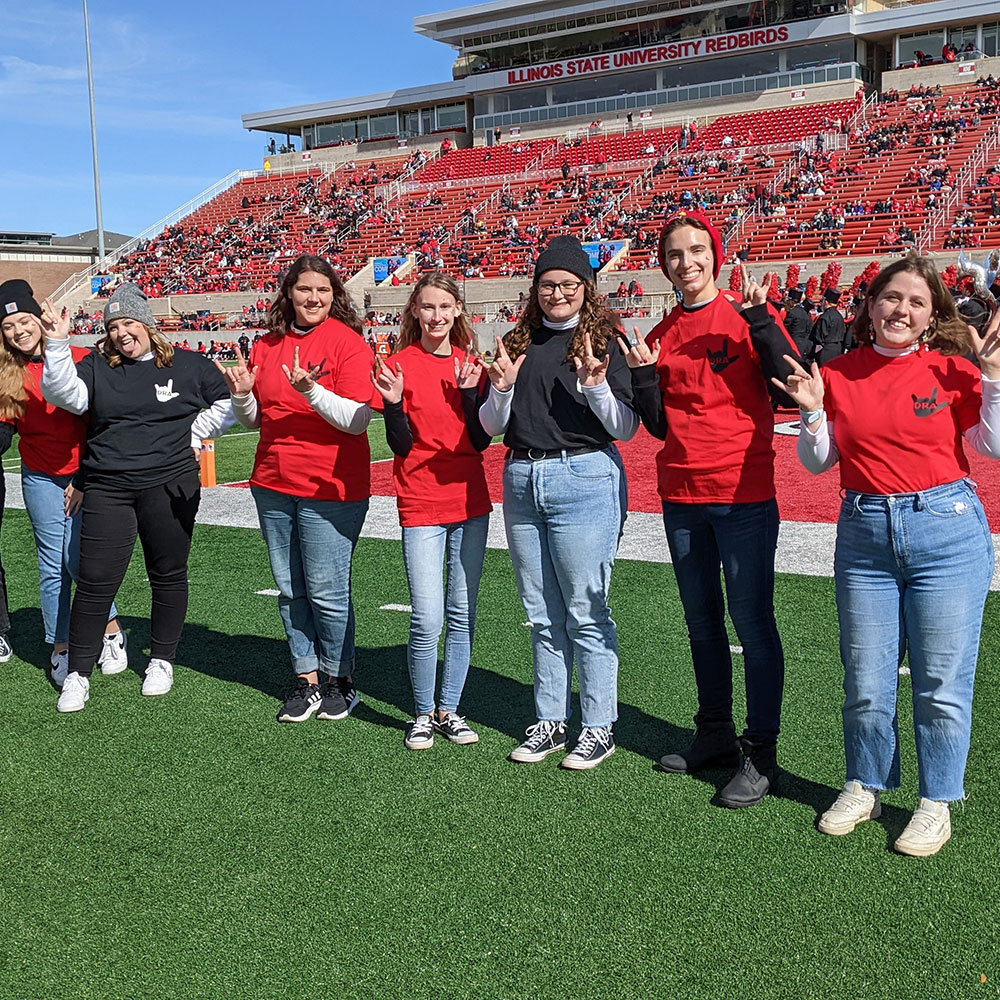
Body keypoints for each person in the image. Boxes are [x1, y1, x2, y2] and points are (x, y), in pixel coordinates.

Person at [779, 256, 1000, 857]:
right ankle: (866, 782)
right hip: (865, 533)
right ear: (871, 305)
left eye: (915, 302)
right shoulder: (839, 372)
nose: (900, 310)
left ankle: (936, 801)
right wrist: (813, 410)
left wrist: (996, 376)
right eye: (890, 298)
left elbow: (994, 444)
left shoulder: (954, 369)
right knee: (866, 679)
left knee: (941, 681)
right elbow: (819, 461)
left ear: (930, 316)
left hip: (946, 532)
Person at [622, 210, 800, 807]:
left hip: (744, 494)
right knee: (701, 623)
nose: (686, 262)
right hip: (681, 496)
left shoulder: (747, 315)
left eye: (697, 250)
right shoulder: (661, 332)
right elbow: (655, 425)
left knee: (751, 624)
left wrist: (759, 322)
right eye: (674, 253)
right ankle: (716, 735)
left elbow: (794, 381)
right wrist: (644, 378)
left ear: (716, 255)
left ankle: (762, 753)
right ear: (663, 263)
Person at [479, 235, 638, 770]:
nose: (558, 293)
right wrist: (500, 388)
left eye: (569, 284)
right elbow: (491, 428)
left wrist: (597, 387)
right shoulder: (516, 342)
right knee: (542, 614)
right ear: (535, 288)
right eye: (548, 284)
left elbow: (625, 428)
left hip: (585, 476)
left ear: (585, 289)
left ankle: (598, 725)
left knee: (586, 610)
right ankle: (549, 719)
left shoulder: (603, 342)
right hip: (523, 476)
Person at [41, 283, 234, 713]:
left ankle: (162, 659)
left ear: (146, 322)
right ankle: (79, 672)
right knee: (94, 581)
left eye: (128, 322)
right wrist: (56, 343)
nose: (121, 333)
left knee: (167, 572)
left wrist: (196, 432)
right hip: (109, 486)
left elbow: (230, 405)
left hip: (170, 485)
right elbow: (63, 395)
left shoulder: (189, 365)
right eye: (113, 326)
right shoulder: (97, 366)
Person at [218, 255, 375, 724]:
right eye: (305, 289)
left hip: (332, 483)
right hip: (272, 481)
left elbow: (357, 420)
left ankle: (339, 679)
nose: (314, 298)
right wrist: (244, 394)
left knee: (327, 590)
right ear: (288, 293)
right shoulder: (266, 344)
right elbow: (255, 421)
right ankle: (306, 678)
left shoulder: (348, 343)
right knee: (290, 589)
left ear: (335, 296)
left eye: (323, 291)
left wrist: (311, 391)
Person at [371, 273, 491, 751]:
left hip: (470, 501)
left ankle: (450, 710)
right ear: (414, 313)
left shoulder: (472, 366)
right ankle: (422, 713)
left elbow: (482, 440)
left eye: (445, 307)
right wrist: (395, 405)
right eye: (428, 307)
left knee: (462, 613)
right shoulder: (397, 365)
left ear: (458, 310)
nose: (437, 316)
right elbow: (398, 445)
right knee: (426, 616)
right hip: (420, 500)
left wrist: (468, 394)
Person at [0, 279, 127, 684]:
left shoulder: (79, 358)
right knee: (52, 565)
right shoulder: (6, 374)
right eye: (8, 327)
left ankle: (110, 631)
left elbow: (103, 425)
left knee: (81, 560)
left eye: (24, 320)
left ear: (39, 318)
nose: (19, 331)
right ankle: (61, 646)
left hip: (88, 472)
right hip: (39, 475)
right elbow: (4, 435)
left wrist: (85, 477)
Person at [811, 288, 848, 365]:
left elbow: (819, 337)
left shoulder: (825, 316)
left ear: (826, 302)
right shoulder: (839, 316)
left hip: (826, 350)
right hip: (838, 349)